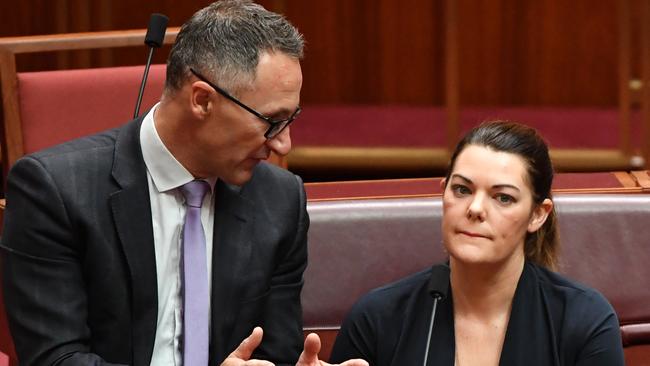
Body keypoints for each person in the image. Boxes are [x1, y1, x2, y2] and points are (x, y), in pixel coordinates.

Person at [1, 1, 366, 366]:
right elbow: (56, 360)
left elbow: (275, 351)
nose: (284, 144)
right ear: (202, 100)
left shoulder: (279, 200)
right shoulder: (55, 191)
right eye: (271, 121)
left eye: (291, 119)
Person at [329, 121, 625, 366]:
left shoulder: (584, 322)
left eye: (503, 197)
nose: (475, 208)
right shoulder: (377, 319)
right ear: (443, 193)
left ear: (537, 215)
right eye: (462, 190)